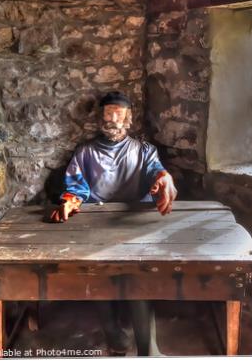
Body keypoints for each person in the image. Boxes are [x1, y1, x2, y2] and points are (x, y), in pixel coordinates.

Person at [50, 91, 178, 356]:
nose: (112, 120)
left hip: (132, 224)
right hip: (95, 225)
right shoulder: (86, 153)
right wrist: (71, 201)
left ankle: (147, 347)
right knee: (100, 278)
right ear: (100, 119)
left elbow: (156, 171)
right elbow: (76, 186)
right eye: (107, 115)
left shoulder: (143, 151)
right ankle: (113, 334)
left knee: (139, 277)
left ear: (129, 119)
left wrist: (163, 179)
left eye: (118, 115)